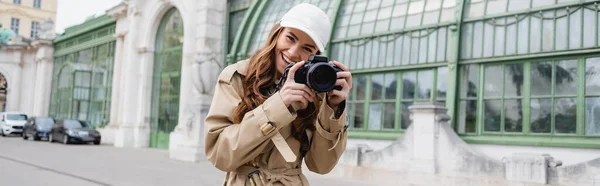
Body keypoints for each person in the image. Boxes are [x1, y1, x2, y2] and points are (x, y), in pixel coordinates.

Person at [204, 3, 352, 186]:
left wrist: (334, 110)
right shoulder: (238, 77)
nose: (293, 52)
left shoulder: (317, 93)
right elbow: (220, 155)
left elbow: (321, 166)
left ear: (316, 56)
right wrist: (279, 105)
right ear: (277, 34)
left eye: (307, 49)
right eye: (290, 38)